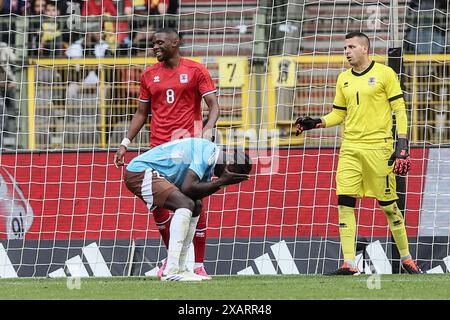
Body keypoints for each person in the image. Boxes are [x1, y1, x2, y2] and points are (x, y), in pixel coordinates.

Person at [295, 32, 422, 275]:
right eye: (345, 47)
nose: (347, 51)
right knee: (344, 202)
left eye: (351, 46)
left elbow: (400, 109)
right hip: (350, 148)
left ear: (364, 48)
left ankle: (406, 258)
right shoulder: (343, 78)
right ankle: (349, 263)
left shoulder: (385, 74)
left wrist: (403, 143)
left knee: (388, 206)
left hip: (379, 148)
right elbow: (339, 114)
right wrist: (317, 122)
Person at [114, 27, 220, 279]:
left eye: (160, 42)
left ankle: (198, 264)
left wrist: (207, 129)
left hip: (188, 147)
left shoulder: (195, 70)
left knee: (194, 202)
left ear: (175, 43)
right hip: (159, 149)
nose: (155, 47)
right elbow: (142, 113)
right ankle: (173, 261)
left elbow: (214, 105)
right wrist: (125, 142)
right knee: (160, 208)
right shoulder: (149, 75)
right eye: (153, 43)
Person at [121, 137, 251, 281]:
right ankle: (170, 270)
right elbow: (188, 187)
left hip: (152, 173)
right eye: (230, 177)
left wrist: (220, 183)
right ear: (229, 166)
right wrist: (220, 182)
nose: (227, 180)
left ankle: (181, 268)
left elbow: (195, 194)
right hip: (139, 172)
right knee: (185, 204)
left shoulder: (211, 158)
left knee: (196, 206)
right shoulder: (207, 153)